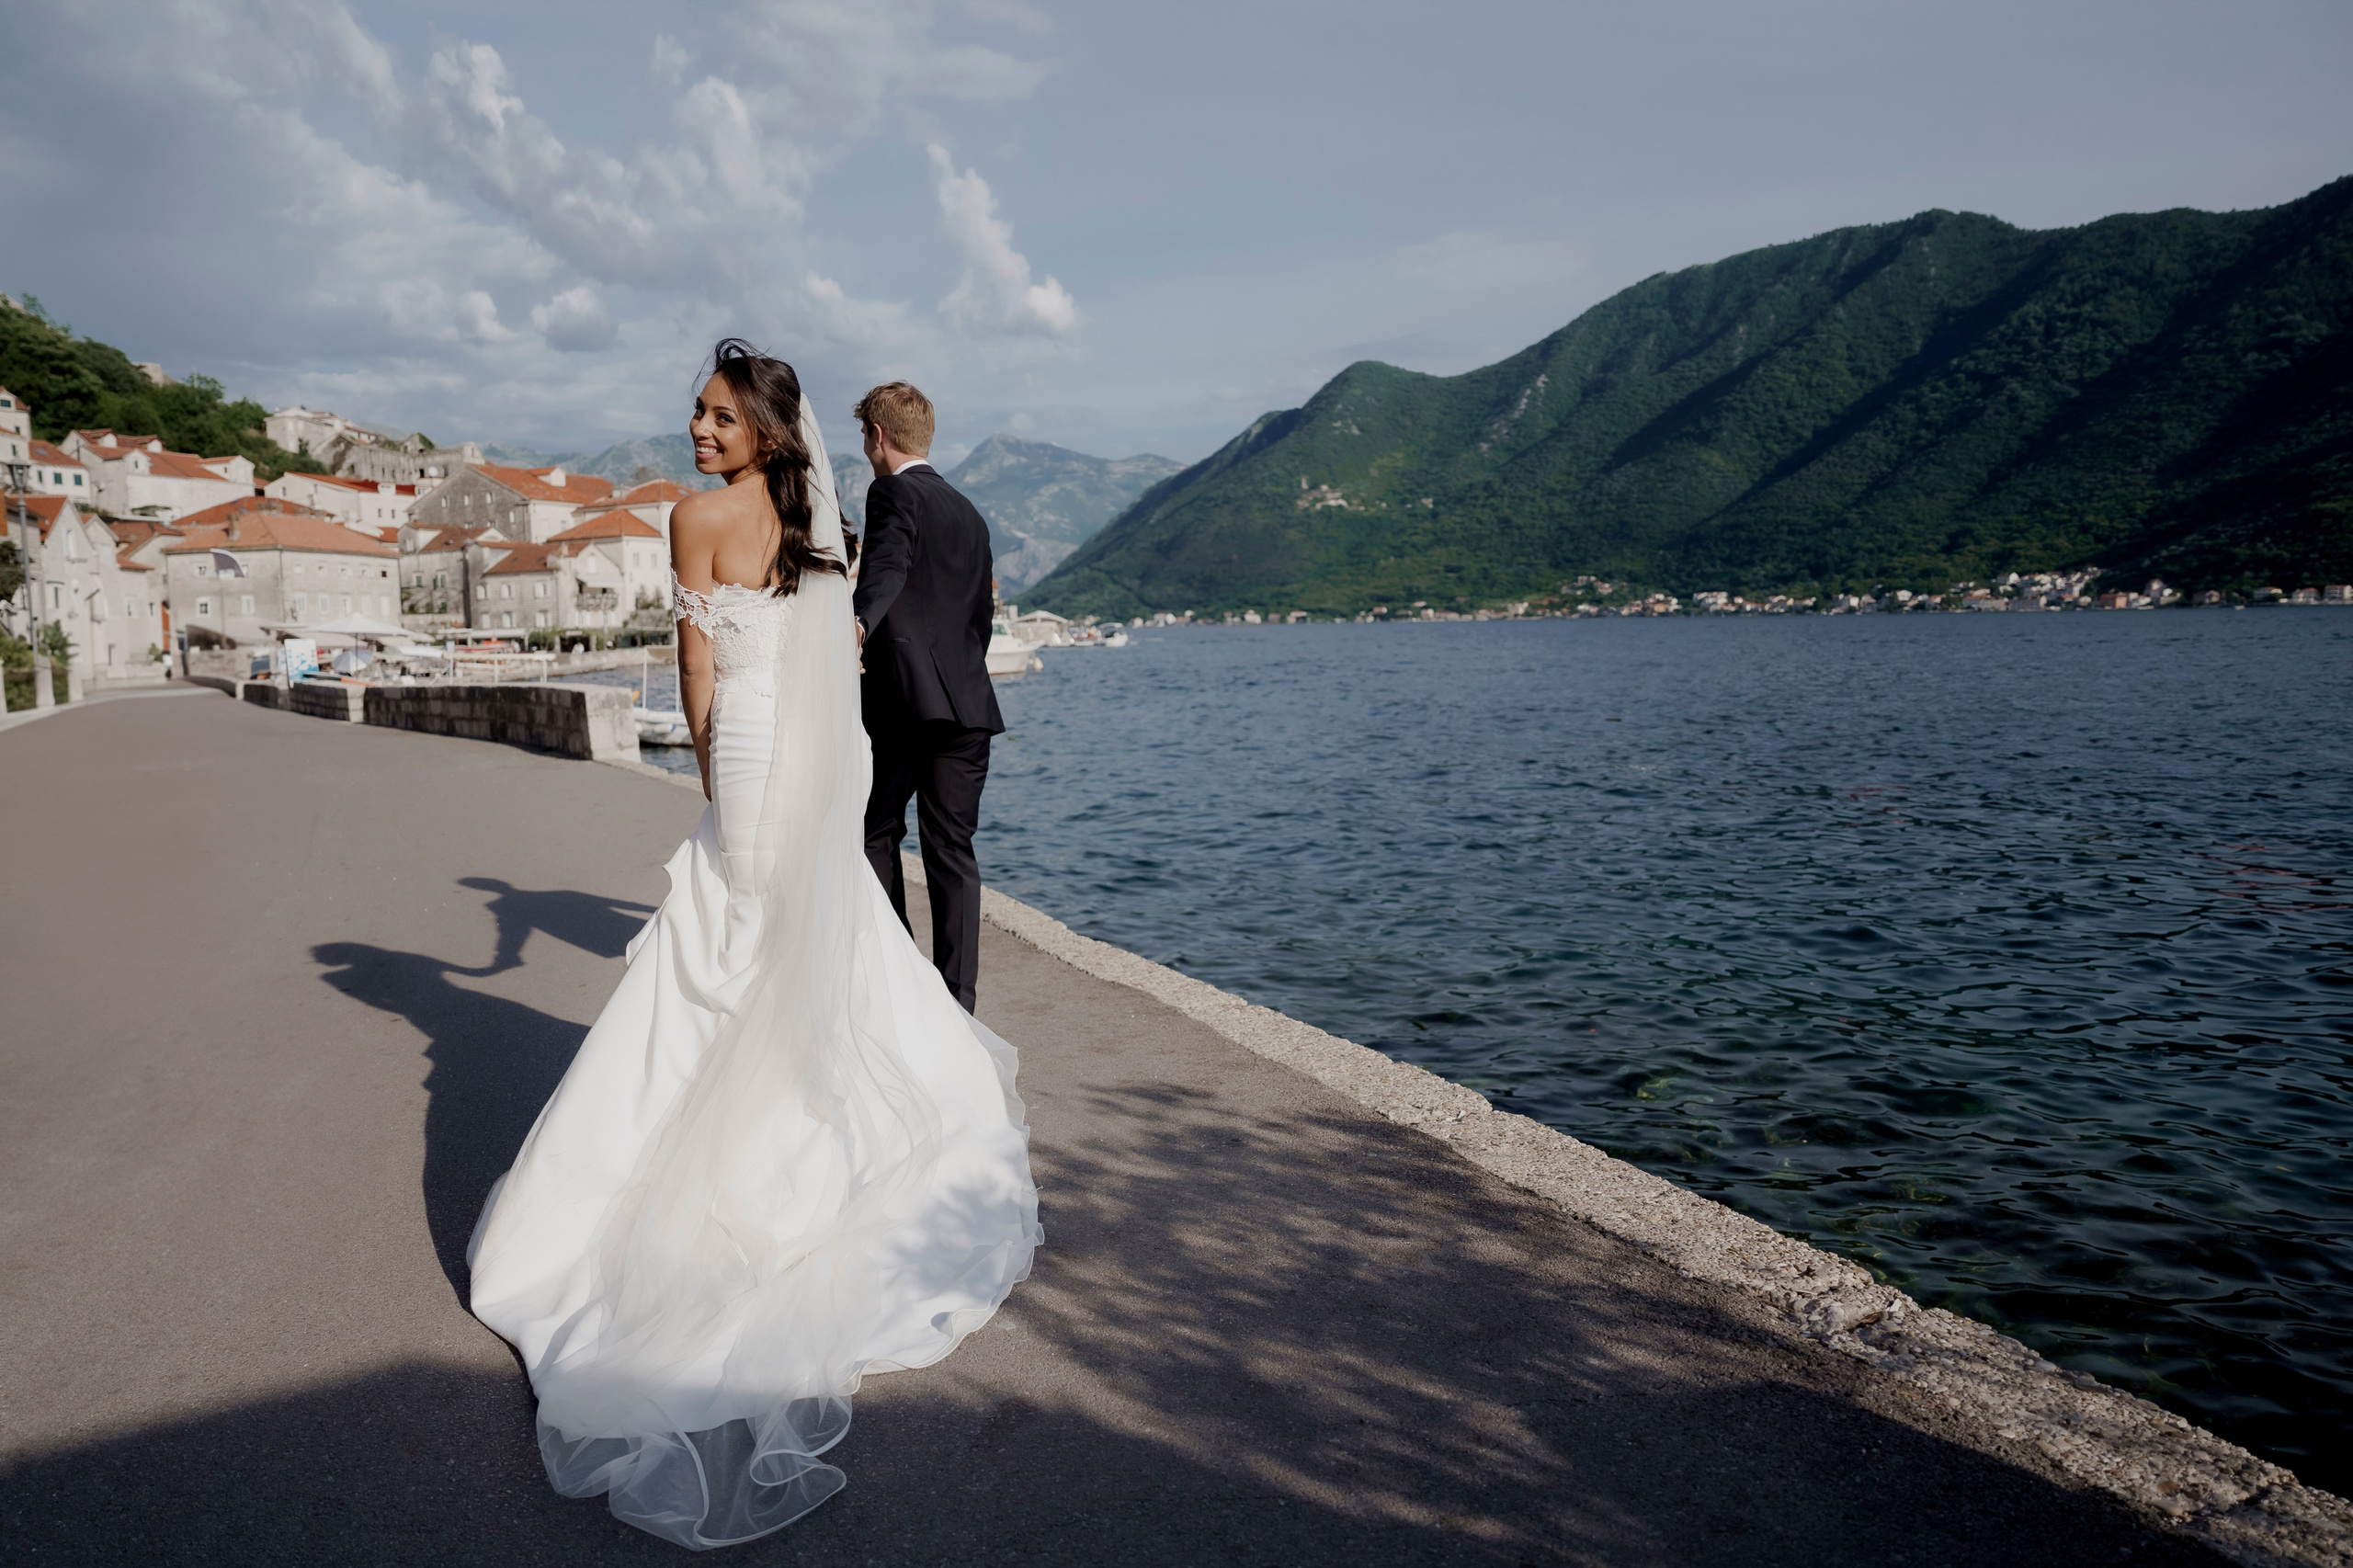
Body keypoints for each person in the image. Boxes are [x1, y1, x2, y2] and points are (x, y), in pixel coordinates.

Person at [465, 341, 1041, 1550]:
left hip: (746, 745)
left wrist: (713, 758)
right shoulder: (819, 523)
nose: (699, 429)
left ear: (764, 427)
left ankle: (717, 1176)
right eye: (697, 413)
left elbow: (695, 662)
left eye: (720, 416)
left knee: (725, 933)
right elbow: (835, 654)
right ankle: (837, 1140)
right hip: (820, 751)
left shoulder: (694, 521)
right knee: (798, 932)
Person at [848, 381, 1005, 1013]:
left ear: (878, 437)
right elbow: (981, 618)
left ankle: (901, 979)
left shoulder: (891, 491)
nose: (866, 449)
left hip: (906, 704)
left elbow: (884, 568)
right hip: (969, 704)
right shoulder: (969, 512)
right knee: (952, 852)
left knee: (874, 831)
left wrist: (854, 628)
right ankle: (958, 1002)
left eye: (865, 437)